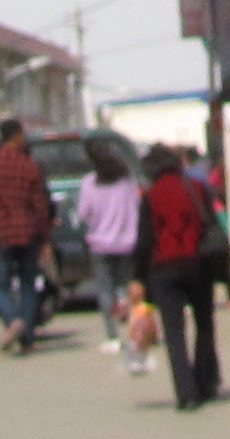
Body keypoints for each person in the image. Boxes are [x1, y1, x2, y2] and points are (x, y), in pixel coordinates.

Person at [137, 142, 220, 409]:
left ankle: (186, 393)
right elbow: (212, 224)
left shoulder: (150, 196)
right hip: (198, 262)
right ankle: (206, 381)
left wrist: (139, 277)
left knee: (174, 332)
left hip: (164, 267)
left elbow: (144, 241)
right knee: (204, 323)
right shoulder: (195, 188)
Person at [0, 119, 56, 354]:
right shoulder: (30, 167)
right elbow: (41, 208)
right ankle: (27, 339)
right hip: (28, 233)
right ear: (16, 138)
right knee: (28, 285)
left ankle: (12, 321)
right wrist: (45, 240)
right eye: (23, 135)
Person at [78, 140, 143, 353]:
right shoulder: (127, 182)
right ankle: (132, 330)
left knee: (105, 290)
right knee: (124, 285)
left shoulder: (89, 183)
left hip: (100, 242)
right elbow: (136, 206)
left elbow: (83, 213)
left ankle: (113, 337)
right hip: (126, 241)